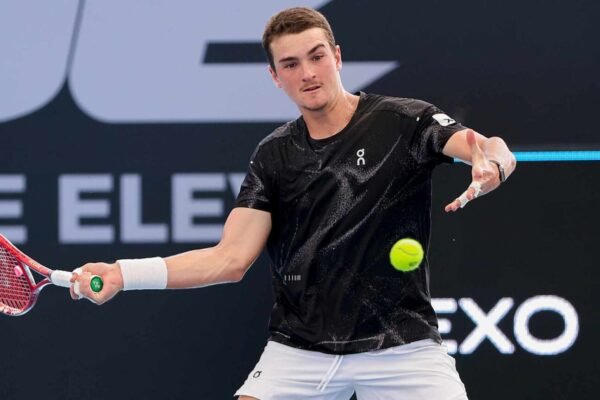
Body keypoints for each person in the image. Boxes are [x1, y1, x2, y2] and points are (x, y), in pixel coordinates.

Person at [71, 7, 516, 400]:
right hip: (301, 350)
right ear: (275, 76)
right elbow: (229, 259)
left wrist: (491, 164)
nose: (308, 73)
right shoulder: (274, 155)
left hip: (402, 343)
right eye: (291, 64)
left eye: (317, 56)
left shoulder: (404, 121)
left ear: (337, 57)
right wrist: (124, 273)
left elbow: (488, 148)